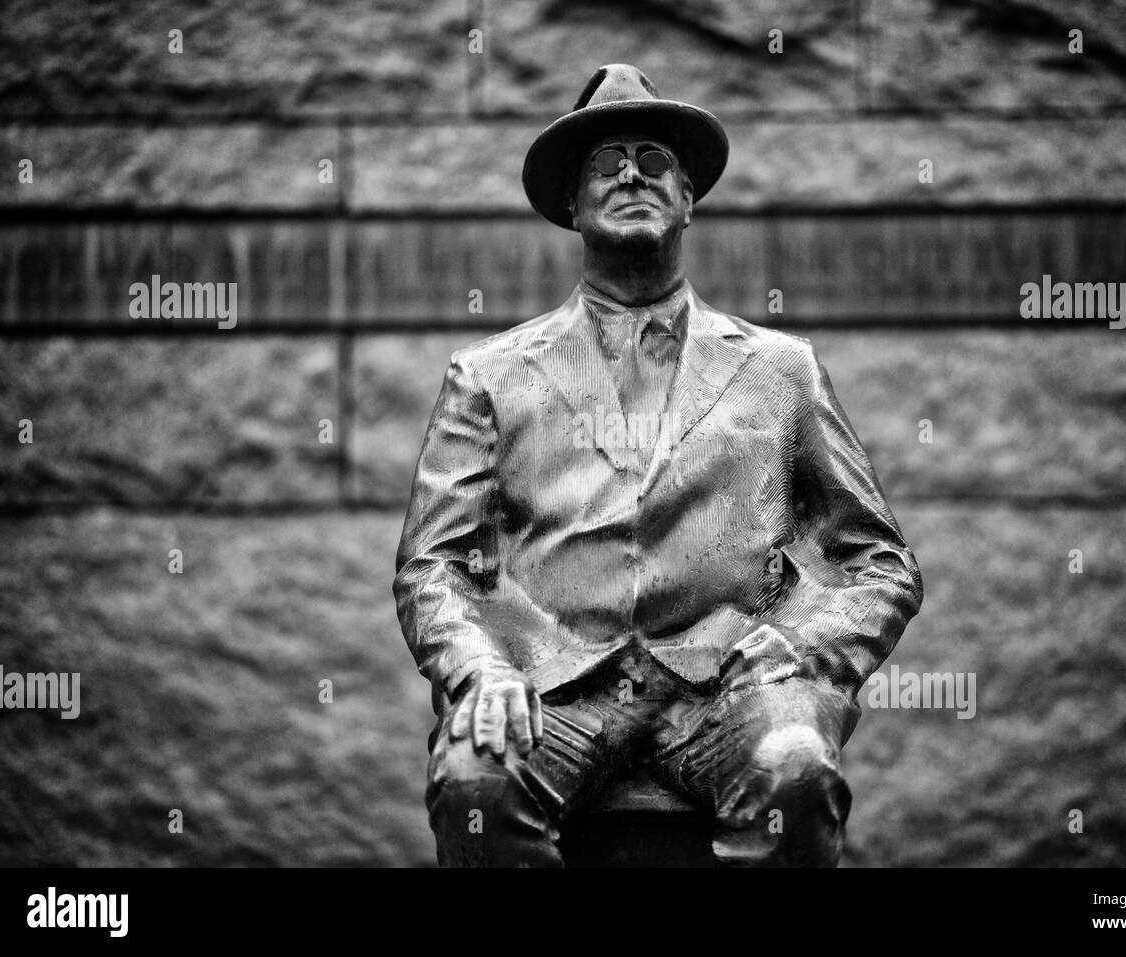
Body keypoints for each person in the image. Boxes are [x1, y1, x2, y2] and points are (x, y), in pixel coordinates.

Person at [394, 64, 923, 867]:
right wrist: (478, 669)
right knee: (474, 779)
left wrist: (809, 643)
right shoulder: (490, 375)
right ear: (572, 205)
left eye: (653, 161)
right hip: (554, 684)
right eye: (606, 164)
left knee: (795, 768)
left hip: (732, 687)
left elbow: (881, 563)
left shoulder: (783, 369)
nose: (632, 173)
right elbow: (434, 566)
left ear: (687, 198)